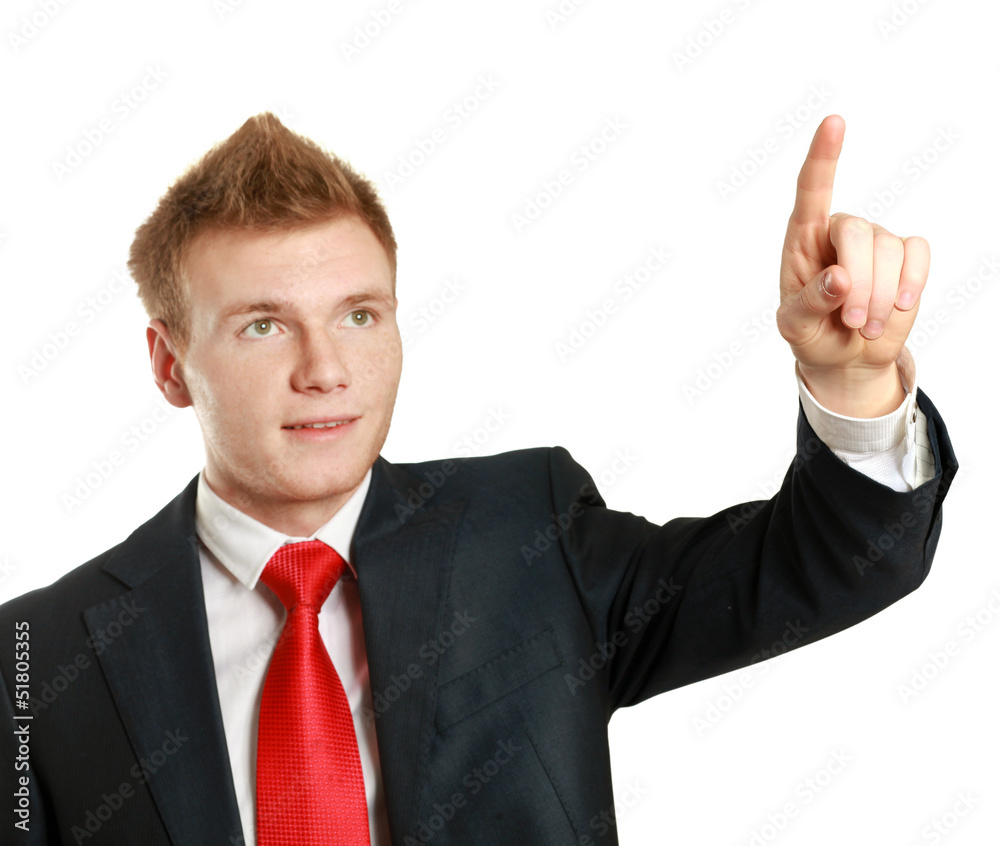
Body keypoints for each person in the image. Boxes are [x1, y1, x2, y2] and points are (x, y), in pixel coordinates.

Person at [0, 112, 957, 845]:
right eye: (263, 324)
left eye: (361, 315)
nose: (325, 368)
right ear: (169, 365)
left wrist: (854, 378)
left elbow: (830, 565)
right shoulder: (35, 656)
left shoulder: (526, 539)